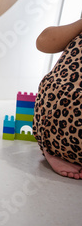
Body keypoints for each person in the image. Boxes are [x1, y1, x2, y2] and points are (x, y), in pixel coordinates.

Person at [33, 17, 82, 179]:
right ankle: (55, 151)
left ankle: (55, 151)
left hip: (55, 135)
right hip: (57, 129)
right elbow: (43, 42)